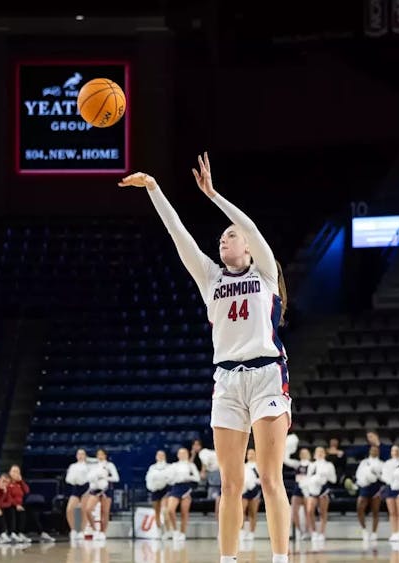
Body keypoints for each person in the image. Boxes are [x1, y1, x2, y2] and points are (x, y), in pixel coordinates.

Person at [120, 152, 292, 563]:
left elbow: (248, 224)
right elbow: (179, 235)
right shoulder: (210, 278)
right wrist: (155, 191)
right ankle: (227, 560)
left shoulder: (264, 273)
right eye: (222, 236)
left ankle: (281, 559)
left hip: (267, 374)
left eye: (231, 236)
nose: (224, 239)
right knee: (230, 484)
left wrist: (213, 195)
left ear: (248, 246)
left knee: (269, 478)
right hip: (227, 381)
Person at [163, 447, 200, 542]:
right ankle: (175, 530)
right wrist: (175, 478)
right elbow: (168, 479)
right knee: (170, 510)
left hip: (186, 488)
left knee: (184, 512)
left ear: (187, 454)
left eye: (184, 453)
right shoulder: (173, 466)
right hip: (176, 487)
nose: (183, 455)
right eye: (181, 453)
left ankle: (183, 533)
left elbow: (197, 478)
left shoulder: (191, 465)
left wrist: (187, 477)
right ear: (178, 455)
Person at [303, 447, 337, 544]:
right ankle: (313, 532)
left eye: (322, 451)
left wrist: (326, 475)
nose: (320, 453)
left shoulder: (329, 465)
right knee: (309, 510)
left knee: (323, 512)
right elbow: (307, 478)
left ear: (325, 454)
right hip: (312, 489)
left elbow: (334, 480)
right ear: (314, 454)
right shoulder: (311, 465)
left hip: (323, 489)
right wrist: (313, 480)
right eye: (318, 451)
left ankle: (322, 533)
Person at [355, 445, 385, 543]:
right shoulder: (364, 462)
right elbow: (358, 474)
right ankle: (364, 530)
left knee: (375, 510)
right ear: (369, 451)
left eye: (376, 450)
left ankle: (374, 533)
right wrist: (361, 481)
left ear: (379, 452)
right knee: (360, 508)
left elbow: (384, 477)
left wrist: (376, 474)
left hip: (376, 487)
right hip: (365, 486)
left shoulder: (382, 463)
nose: (374, 451)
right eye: (372, 450)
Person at [284, 447, 312, 540]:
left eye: (306, 452)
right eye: (302, 453)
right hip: (298, 488)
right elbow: (285, 460)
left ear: (309, 454)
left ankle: (308, 532)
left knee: (308, 511)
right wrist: (287, 449)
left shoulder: (312, 465)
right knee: (293, 510)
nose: (304, 454)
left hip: (308, 488)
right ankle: (299, 530)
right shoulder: (297, 464)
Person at [64, 449, 91, 540]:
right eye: (79, 454)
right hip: (76, 488)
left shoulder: (88, 466)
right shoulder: (72, 466)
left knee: (84, 510)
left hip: (86, 487)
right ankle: (73, 530)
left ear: (85, 456)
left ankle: (82, 531)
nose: (80, 456)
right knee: (69, 509)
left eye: (82, 454)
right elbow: (68, 479)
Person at [145, 450, 170, 539]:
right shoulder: (152, 467)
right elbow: (148, 478)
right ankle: (159, 531)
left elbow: (170, 478)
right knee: (157, 512)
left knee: (164, 510)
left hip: (165, 490)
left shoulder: (168, 467)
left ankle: (168, 531)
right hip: (155, 490)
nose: (160, 456)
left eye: (162, 455)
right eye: (158, 455)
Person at [241, 448, 262, 542]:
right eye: (248, 453)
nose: (250, 455)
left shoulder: (259, 466)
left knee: (253, 512)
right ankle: (241, 531)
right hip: (244, 490)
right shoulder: (244, 466)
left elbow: (263, 479)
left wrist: (254, 482)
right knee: (242, 510)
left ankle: (252, 532)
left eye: (252, 453)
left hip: (255, 490)